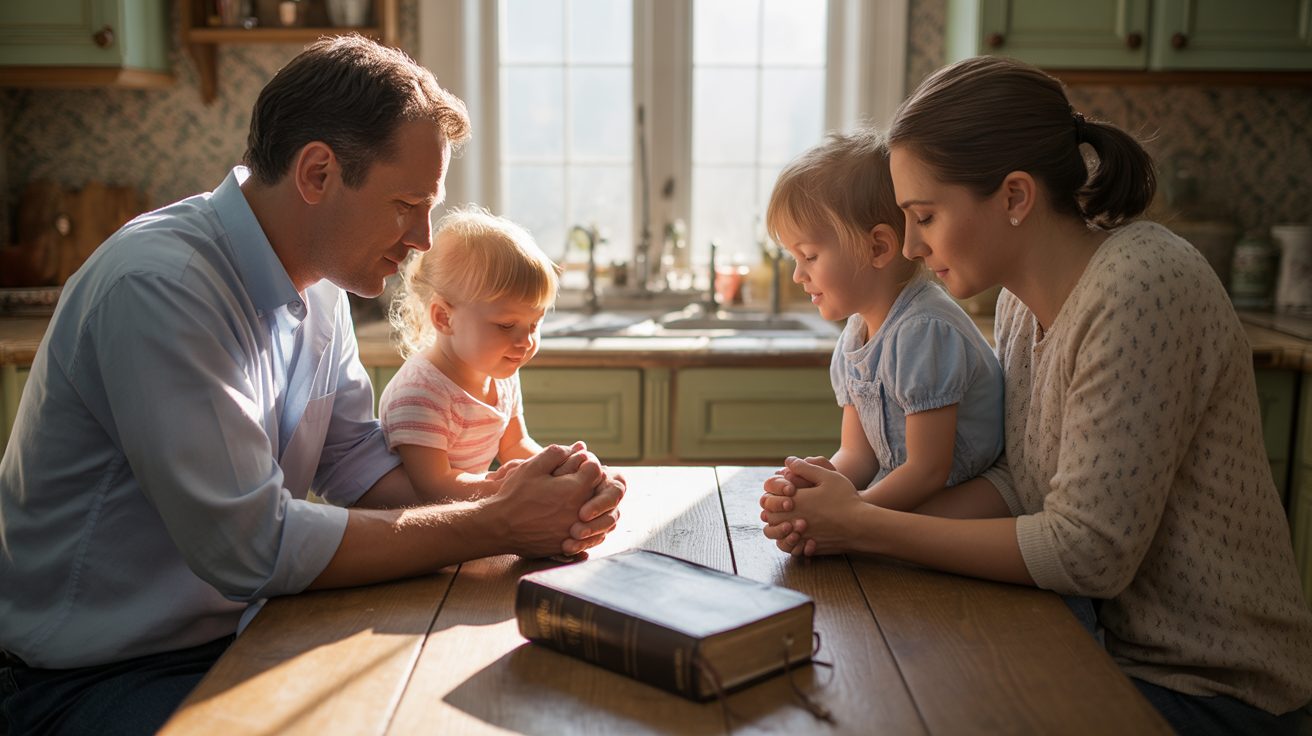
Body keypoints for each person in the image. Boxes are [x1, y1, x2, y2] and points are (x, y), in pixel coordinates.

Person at [0, 36, 623, 735]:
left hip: (241, 631)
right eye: (406, 204)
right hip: (89, 678)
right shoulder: (162, 288)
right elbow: (253, 545)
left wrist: (517, 495)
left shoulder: (319, 288)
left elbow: (360, 464)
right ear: (318, 173)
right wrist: (496, 524)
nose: (423, 239)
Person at [760, 56, 1312, 734]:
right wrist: (843, 514)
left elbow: (1087, 552)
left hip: (1215, 689)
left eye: (925, 216)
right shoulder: (1021, 307)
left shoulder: (1142, 285)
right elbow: (1024, 483)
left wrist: (866, 526)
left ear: (1016, 197)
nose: (907, 243)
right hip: (1102, 649)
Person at [763, 130, 1003, 510]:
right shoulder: (854, 338)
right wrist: (817, 485)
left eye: (808, 255)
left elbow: (927, 470)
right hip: (911, 489)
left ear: (877, 247)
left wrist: (851, 512)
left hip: (973, 492)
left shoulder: (922, 331)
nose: (798, 275)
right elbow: (858, 457)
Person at [380, 206, 566, 501]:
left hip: (463, 516)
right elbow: (435, 487)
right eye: (506, 325)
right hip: (412, 535)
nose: (526, 340)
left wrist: (560, 471)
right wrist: (507, 489)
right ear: (444, 318)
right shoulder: (420, 394)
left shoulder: (499, 373)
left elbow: (515, 446)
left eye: (535, 324)